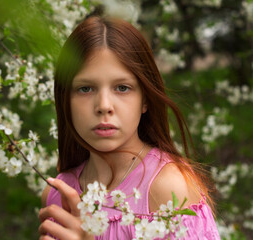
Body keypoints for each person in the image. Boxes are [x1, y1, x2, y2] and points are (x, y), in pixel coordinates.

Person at [38, 16, 220, 240]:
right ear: (66, 100)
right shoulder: (58, 195)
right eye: (85, 89)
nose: (104, 105)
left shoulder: (168, 188)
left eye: (122, 88)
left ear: (145, 99)